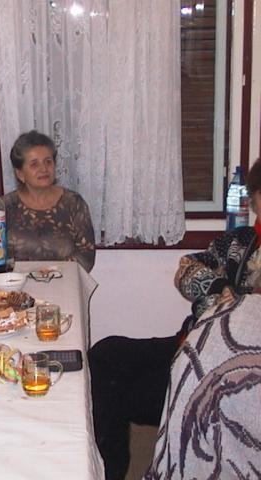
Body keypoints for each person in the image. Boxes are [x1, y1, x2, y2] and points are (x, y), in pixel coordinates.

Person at [89, 157, 261, 480]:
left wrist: (238, 305)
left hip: (218, 372)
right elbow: (185, 271)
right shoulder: (238, 241)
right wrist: (219, 288)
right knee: (104, 353)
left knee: (118, 395)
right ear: (254, 200)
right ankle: (111, 470)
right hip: (188, 342)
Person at [145, 288, 261, 478]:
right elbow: (185, 277)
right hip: (193, 337)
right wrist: (221, 287)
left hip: (211, 344)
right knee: (106, 353)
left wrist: (224, 298)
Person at [3, 130, 95, 272]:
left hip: (64, 281)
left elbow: (86, 256)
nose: (44, 169)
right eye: (34, 164)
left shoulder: (74, 203)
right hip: (16, 282)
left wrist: (50, 274)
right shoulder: (6, 207)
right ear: (20, 174)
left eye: (48, 161)